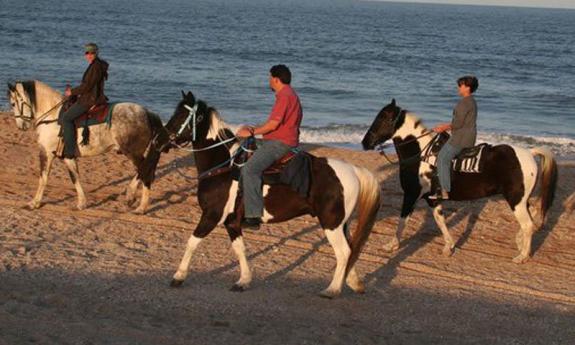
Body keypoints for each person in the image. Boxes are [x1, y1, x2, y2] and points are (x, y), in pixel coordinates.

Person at [236, 64, 303, 230]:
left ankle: (253, 217)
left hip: (279, 144)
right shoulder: (289, 94)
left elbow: (272, 125)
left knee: (250, 169)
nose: (268, 81)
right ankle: (241, 197)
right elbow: (272, 125)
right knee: (243, 150)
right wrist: (253, 129)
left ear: (276, 79)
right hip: (279, 140)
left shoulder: (285, 96)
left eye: (269, 77)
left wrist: (251, 132)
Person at [430, 75, 479, 200]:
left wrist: (443, 127)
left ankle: (444, 191)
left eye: (460, 85)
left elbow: (457, 124)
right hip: (467, 136)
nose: (458, 88)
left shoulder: (464, 103)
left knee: (442, 158)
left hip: (461, 138)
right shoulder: (472, 101)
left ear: (467, 87)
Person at [59, 43, 109, 158]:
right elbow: (87, 85)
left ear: (96, 53)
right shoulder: (95, 65)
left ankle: (70, 151)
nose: (89, 55)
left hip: (90, 99)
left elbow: (87, 86)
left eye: (92, 53)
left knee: (66, 118)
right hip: (90, 96)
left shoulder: (95, 67)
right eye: (87, 53)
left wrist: (72, 92)